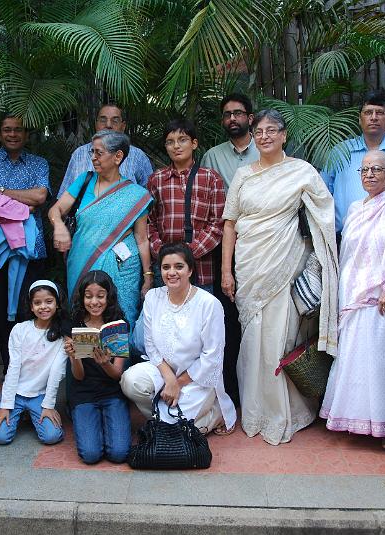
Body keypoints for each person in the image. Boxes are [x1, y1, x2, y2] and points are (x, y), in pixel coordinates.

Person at [221, 109, 339, 445]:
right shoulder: (243, 175)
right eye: (259, 131)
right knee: (253, 338)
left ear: (284, 135)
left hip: (286, 264)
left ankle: (288, 411)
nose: (265, 136)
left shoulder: (301, 171)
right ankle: (255, 409)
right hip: (249, 266)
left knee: (282, 338)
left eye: (272, 130)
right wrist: (226, 270)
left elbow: (325, 213)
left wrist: (315, 257)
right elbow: (230, 223)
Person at [319, 150, 385, 452]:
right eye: (365, 169)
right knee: (357, 363)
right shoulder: (355, 208)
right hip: (355, 297)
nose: (370, 174)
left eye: (378, 169)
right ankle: (358, 419)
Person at [121, 243, 237, 435]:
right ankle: (166, 420)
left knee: (181, 432)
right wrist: (170, 380)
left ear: (190, 270)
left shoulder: (209, 304)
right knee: (131, 381)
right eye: (166, 267)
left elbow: (211, 357)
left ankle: (216, 413)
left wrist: (179, 382)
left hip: (197, 378)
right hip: (162, 371)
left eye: (179, 266)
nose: (172, 272)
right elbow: (150, 345)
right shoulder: (153, 297)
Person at [49, 130, 153, 327]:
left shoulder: (136, 195)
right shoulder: (84, 181)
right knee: (82, 313)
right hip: (81, 260)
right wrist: (59, 226)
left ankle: (121, 359)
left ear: (118, 156)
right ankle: (84, 358)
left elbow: (141, 239)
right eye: (92, 152)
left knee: (120, 319)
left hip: (122, 268)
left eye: (99, 153)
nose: (93, 158)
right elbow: (56, 210)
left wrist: (148, 277)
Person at [0, 115, 51, 375]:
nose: (12, 134)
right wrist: (23, 205)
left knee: (33, 308)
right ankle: (11, 368)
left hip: (32, 250)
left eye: (17, 130)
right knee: (1, 312)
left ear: (26, 134)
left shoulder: (38, 163)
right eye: (7, 129)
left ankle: (33, 369)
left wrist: (3, 193)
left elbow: (40, 196)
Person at [201, 92, 259, 406]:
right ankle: (230, 390)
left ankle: (259, 388)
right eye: (227, 114)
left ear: (250, 117)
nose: (232, 119)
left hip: (262, 246)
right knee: (228, 318)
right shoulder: (211, 156)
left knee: (259, 316)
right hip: (223, 247)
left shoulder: (265, 150)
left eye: (238, 113)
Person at [322, 89, 385, 235]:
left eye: (380, 112)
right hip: (345, 240)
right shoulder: (340, 152)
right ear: (359, 118)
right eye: (368, 112)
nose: (374, 117)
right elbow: (322, 196)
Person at [147, 119, 225, 293]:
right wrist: (163, 253)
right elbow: (148, 223)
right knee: (166, 316)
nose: (176, 146)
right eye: (170, 142)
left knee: (200, 317)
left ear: (194, 143)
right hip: (166, 270)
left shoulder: (210, 178)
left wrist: (189, 253)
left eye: (182, 140)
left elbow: (217, 223)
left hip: (200, 269)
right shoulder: (156, 179)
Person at [63, 271, 131, 464]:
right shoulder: (72, 325)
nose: (94, 302)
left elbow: (117, 375)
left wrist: (105, 363)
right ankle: (80, 414)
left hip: (112, 393)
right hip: (83, 393)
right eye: (88, 296)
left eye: (100, 296)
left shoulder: (118, 325)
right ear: (82, 297)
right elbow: (78, 376)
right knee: (90, 455)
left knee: (119, 454)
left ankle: (105, 419)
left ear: (108, 297)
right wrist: (74, 357)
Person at [0, 280, 67, 446]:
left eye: (49, 301)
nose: (43, 307)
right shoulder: (20, 330)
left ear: (57, 303)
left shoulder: (62, 336)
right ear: (31, 306)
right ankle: (21, 412)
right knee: (0, 437)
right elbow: (13, 368)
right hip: (16, 393)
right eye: (37, 303)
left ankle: (32, 413)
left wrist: (48, 405)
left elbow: (56, 372)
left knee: (51, 436)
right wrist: (5, 404)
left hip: (40, 395)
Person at [57, 103, 153, 196]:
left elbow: (149, 197)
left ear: (123, 126)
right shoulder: (79, 154)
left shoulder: (137, 156)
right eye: (103, 120)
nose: (108, 125)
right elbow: (63, 198)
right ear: (96, 124)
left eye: (115, 121)